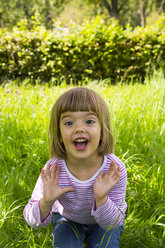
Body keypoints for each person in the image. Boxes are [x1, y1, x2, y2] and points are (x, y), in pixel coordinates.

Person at [24, 87, 127, 248]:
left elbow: (113, 223)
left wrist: (102, 199)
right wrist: (46, 201)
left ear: (102, 129)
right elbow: (33, 221)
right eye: (69, 123)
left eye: (89, 121)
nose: (79, 128)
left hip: (104, 222)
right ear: (59, 133)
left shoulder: (113, 169)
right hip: (68, 219)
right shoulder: (53, 169)